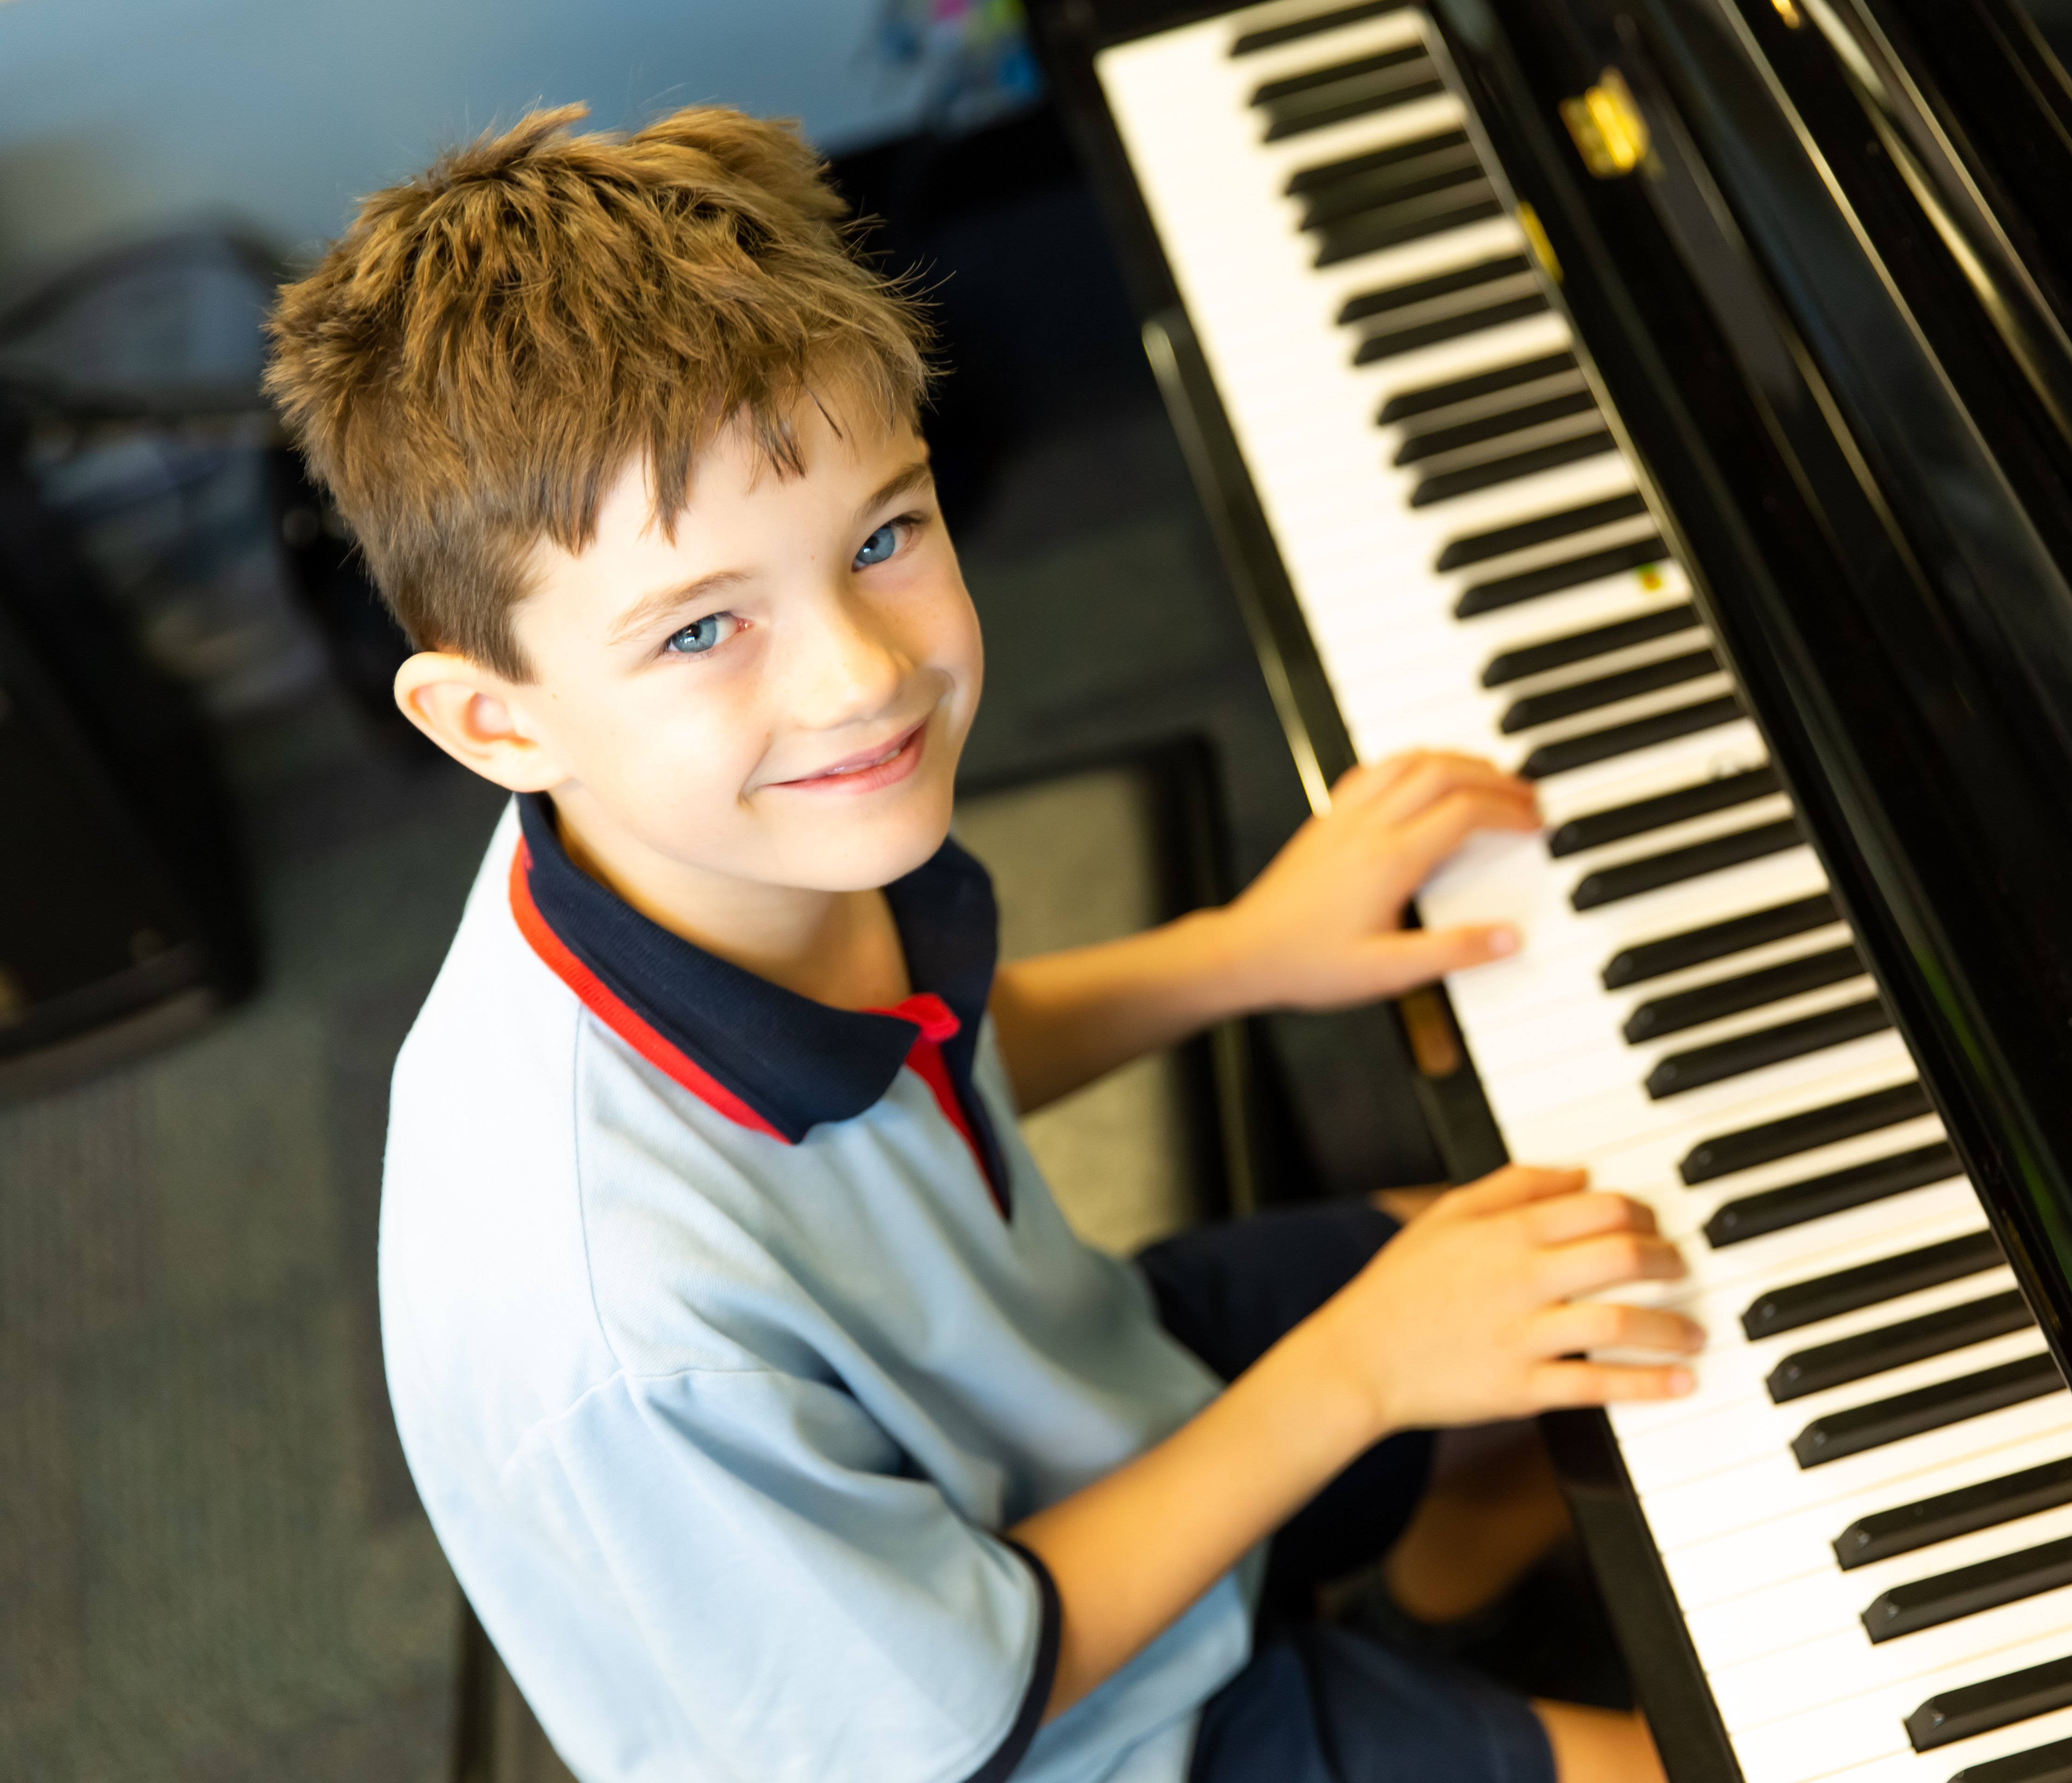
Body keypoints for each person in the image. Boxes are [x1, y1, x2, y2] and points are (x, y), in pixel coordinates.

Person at [265, 104, 1704, 1783]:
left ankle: (1441, 1582)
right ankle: (1415, 1585)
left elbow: (918, 1049)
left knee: (1617, 1249)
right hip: (1056, 1731)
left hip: (1061, 1411)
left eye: (884, 535)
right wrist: (1362, 1377)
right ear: (493, 723)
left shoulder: (696, 842)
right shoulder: (623, 1336)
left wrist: (1243, 955)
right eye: (706, 628)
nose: (863, 676)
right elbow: (961, 1703)